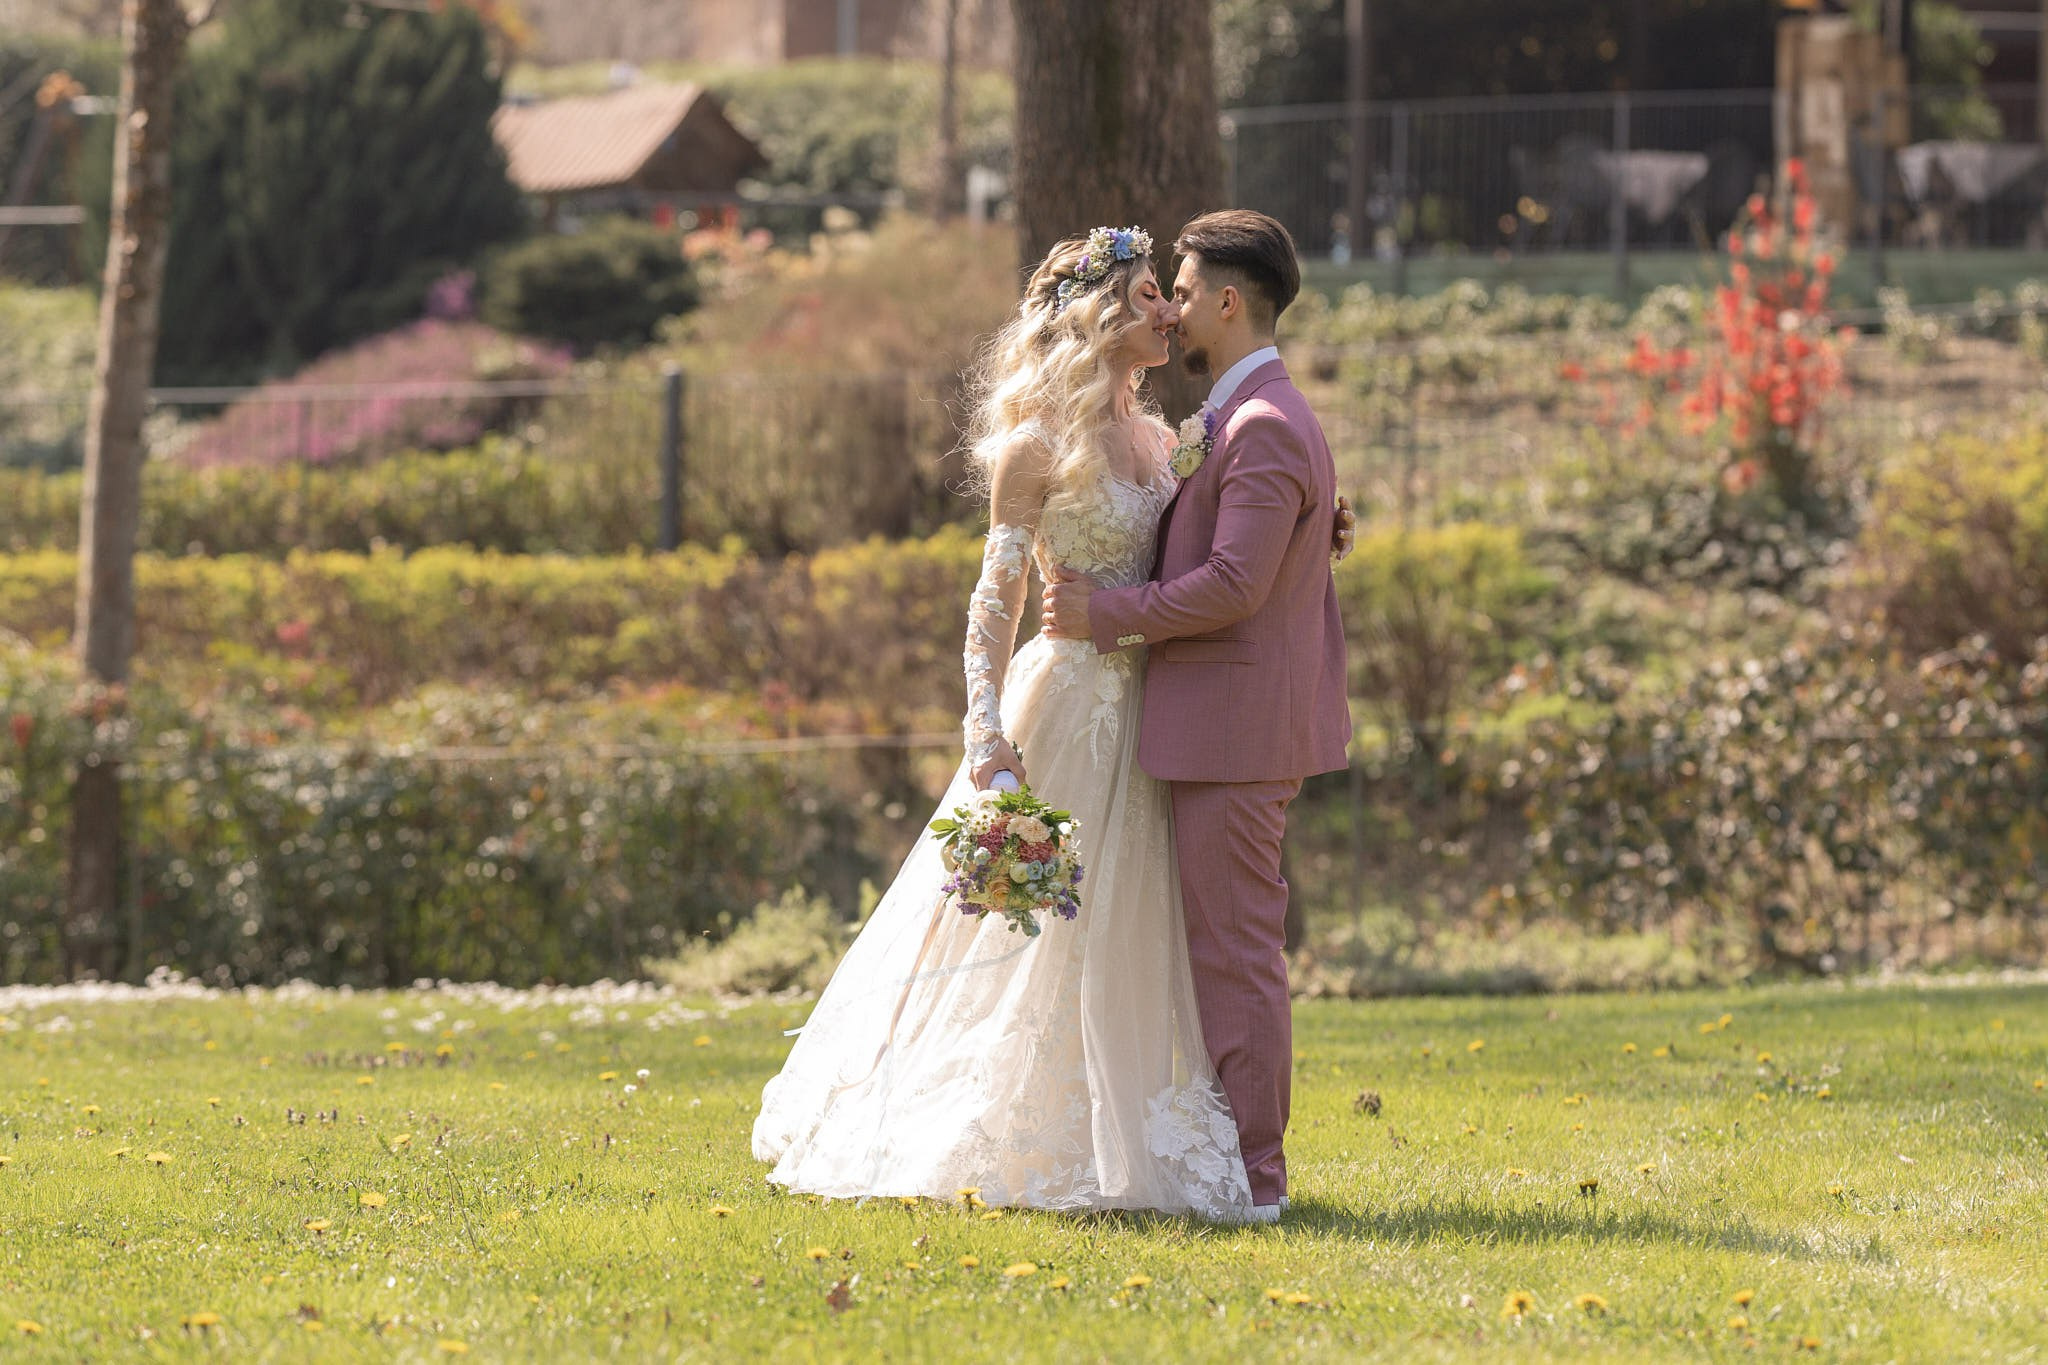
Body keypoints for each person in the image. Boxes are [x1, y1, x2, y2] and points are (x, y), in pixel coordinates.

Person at [753, 223, 1349, 1222]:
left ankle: (1143, 1137)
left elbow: (1221, 549)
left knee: (1140, 932)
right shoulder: (1034, 449)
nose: (1167, 308)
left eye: (1177, 291)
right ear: (1102, 315)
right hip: (1068, 705)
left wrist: (1312, 520)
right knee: (1039, 938)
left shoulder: (1168, 440)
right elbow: (992, 608)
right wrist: (985, 737)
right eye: (1151, 292)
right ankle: (1031, 1130)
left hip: (1157, 715)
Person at [1042, 210, 1352, 1221]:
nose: (1169, 306)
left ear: (1226, 300)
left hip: (1233, 739)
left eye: (1180, 288)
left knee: (1232, 955)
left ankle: (1255, 1179)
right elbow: (1240, 541)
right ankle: (1213, 1156)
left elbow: (1229, 588)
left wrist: (1104, 616)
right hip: (1206, 730)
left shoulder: (1260, 423)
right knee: (1213, 950)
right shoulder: (1237, 420)